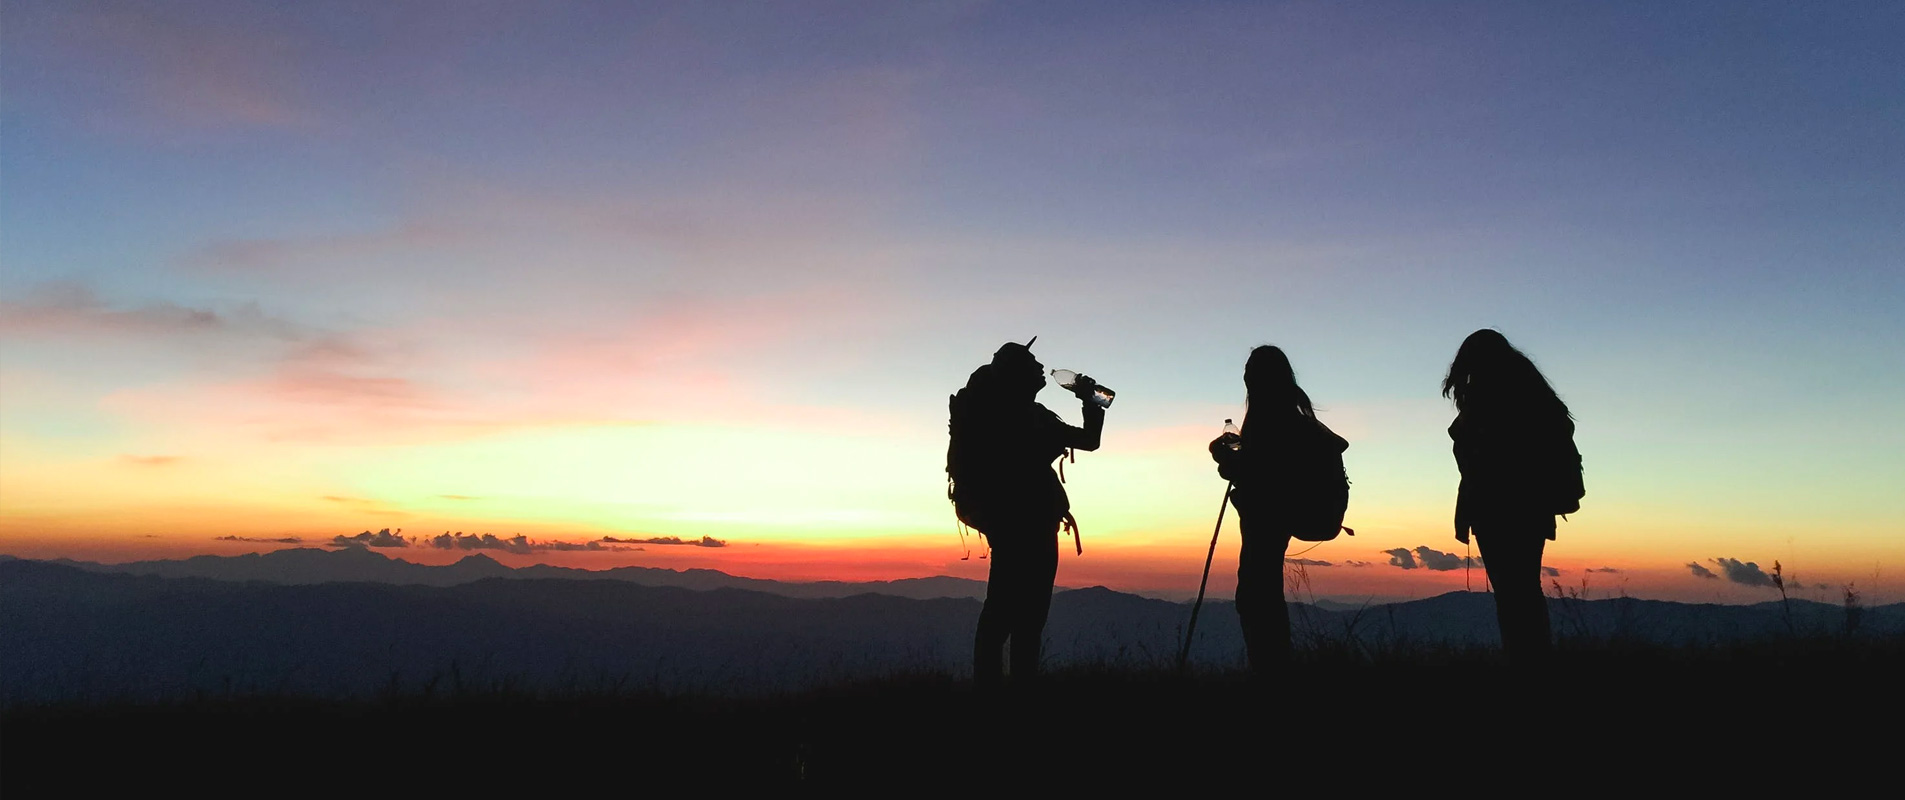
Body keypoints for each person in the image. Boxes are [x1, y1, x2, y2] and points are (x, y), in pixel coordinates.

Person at [947, 339, 1106, 686]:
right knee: (1025, 615)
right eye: (1032, 363)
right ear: (1017, 374)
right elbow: (1089, 440)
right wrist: (1090, 399)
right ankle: (1019, 689)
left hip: (1007, 522)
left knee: (1001, 610)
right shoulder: (1027, 416)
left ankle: (991, 687)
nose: (1040, 368)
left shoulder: (997, 411)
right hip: (1030, 523)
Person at [1443, 329, 1583, 661]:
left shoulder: (1488, 397)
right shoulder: (1530, 393)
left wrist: (1467, 512)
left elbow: (1478, 459)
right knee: (1523, 590)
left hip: (1497, 508)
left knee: (1512, 594)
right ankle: (1532, 656)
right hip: (1531, 508)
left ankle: (1524, 658)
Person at [1208, 345, 1347, 671]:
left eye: (1249, 372)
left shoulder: (1270, 420)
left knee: (1257, 596)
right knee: (1261, 593)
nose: (1245, 377)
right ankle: (1273, 668)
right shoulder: (1291, 418)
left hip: (1269, 518)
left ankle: (1270, 671)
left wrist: (1225, 460)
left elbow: (1262, 474)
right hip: (1282, 514)